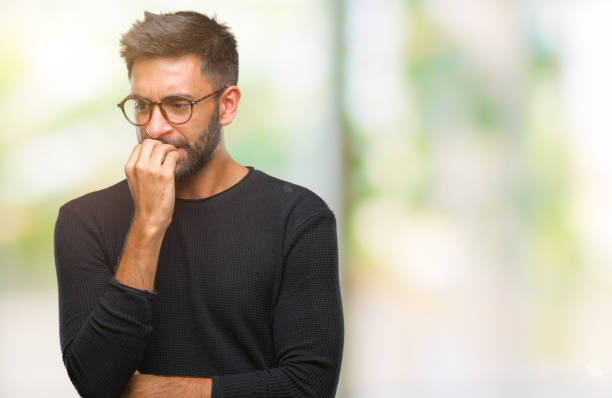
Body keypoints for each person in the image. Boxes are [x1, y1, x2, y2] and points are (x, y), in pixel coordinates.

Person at [53, 10, 343, 398]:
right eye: (141, 105)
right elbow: (95, 383)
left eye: (178, 104)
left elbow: (309, 387)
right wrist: (148, 225)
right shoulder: (83, 221)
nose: (154, 128)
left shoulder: (299, 217)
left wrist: (152, 391)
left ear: (227, 105)